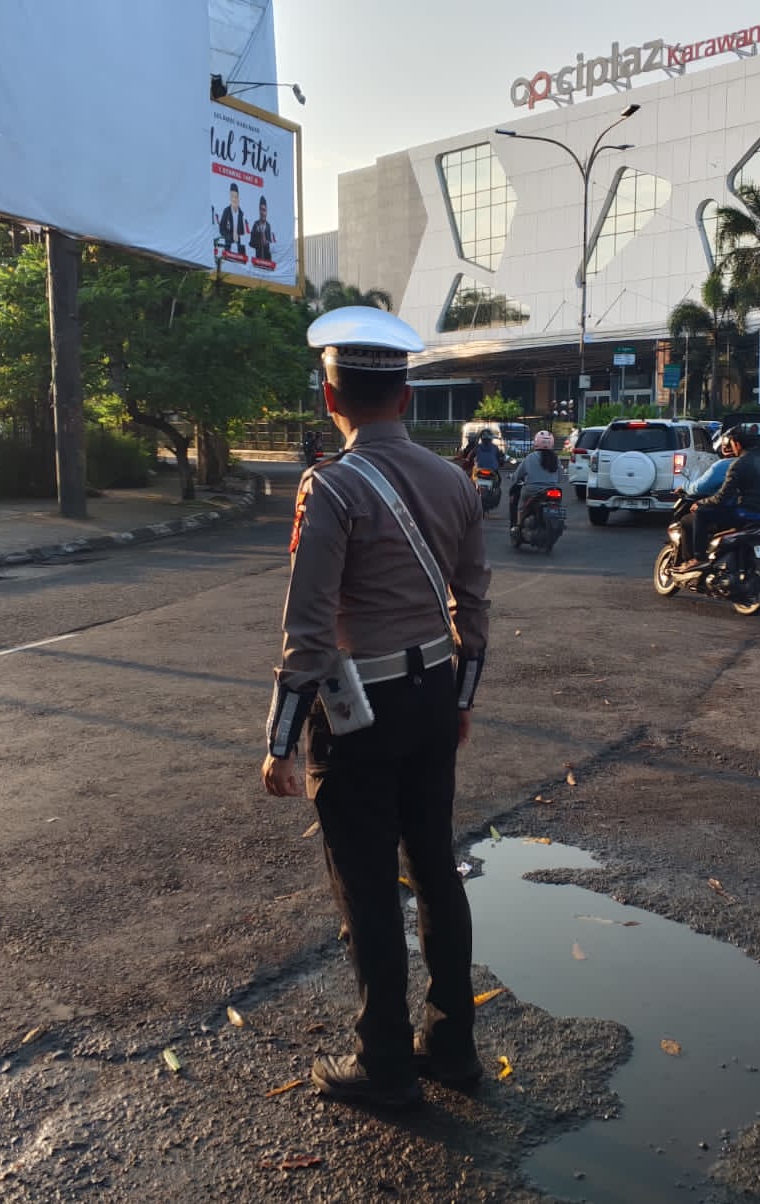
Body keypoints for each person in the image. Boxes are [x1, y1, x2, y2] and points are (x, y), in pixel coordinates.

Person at [262, 306, 491, 1109]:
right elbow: (474, 607)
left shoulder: (329, 488)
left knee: (366, 886)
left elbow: (309, 631)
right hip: (434, 697)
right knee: (434, 866)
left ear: (332, 399)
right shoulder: (456, 480)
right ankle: (455, 1047)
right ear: (403, 396)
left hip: (360, 713)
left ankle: (386, 1064)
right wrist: (461, 702)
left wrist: (281, 739)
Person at [688, 424, 760, 564]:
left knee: (701, 513)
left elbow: (722, 497)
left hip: (745, 515)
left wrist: (701, 503)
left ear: (737, 444)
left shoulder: (739, 464)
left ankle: (699, 558)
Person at [507, 430, 561, 530]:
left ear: (536, 442)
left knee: (521, 507)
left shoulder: (530, 457)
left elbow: (518, 474)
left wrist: (513, 478)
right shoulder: (556, 458)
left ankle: (518, 527)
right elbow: (560, 477)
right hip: (552, 490)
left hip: (532, 490)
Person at [219, 182, 248, 256]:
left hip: (239, 248)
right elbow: (221, 229)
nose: (234, 199)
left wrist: (239, 237)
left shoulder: (241, 214)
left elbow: (243, 233)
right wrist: (230, 236)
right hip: (228, 245)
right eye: (232, 196)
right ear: (230, 197)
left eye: (236, 196)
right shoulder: (226, 211)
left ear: (238, 197)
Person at [250, 196, 275, 261]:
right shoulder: (256, 224)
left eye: (264, 210)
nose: (262, 213)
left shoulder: (268, 226)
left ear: (266, 212)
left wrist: (266, 242)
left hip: (267, 260)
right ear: (259, 210)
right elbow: (251, 242)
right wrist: (260, 241)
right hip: (258, 259)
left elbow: (270, 242)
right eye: (261, 209)